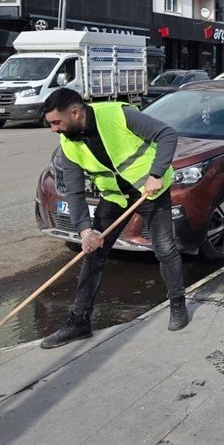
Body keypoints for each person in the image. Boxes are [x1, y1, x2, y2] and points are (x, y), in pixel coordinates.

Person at [40, 88, 187, 348]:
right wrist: (86, 231)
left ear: (75, 113)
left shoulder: (119, 114)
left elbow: (166, 134)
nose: (54, 129)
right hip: (115, 197)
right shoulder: (68, 142)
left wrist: (156, 174)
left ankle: (178, 304)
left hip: (149, 191)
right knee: (93, 253)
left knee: (165, 249)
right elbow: (74, 191)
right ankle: (79, 322)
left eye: (56, 122)